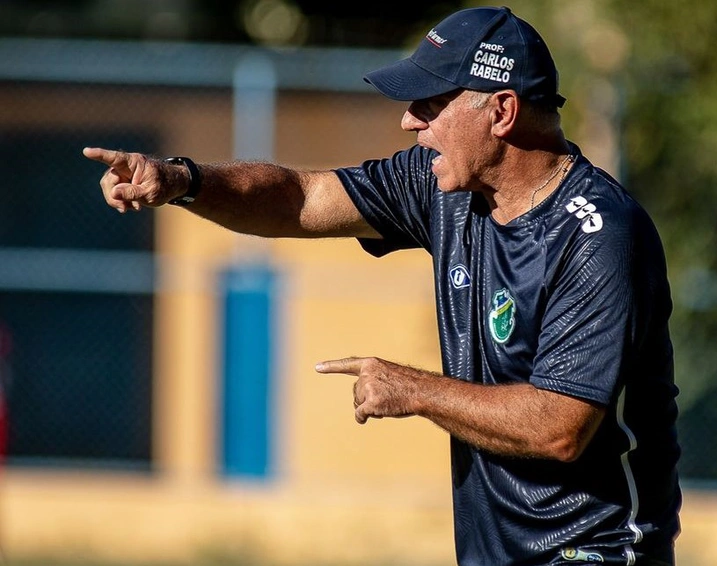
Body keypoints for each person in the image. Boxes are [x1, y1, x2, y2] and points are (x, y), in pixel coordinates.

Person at [83, 6, 682, 565]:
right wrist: (183, 180)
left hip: (596, 551)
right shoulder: (442, 190)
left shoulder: (601, 235)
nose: (409, 121)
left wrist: (415, 390)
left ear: (501, 112)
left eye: (429, 104)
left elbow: (560, 427)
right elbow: (301, 198)